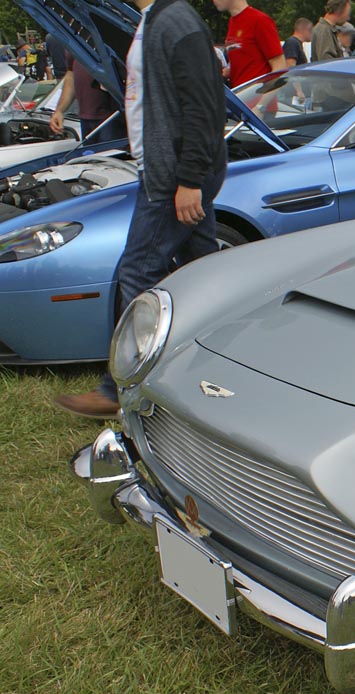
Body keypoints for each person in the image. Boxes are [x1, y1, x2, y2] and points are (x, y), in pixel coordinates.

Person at [55, 0, 226, 418]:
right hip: (169, 171)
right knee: (201, 270)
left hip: (173, 177)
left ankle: (120, 388)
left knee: (137, 270)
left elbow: (203, 106)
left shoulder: (175, 20)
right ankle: (211, 368)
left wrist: (189, 180)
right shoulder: (151, 20)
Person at [213, 0, 285, 87]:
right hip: (239, 93)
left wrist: (265, 95)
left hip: (257, 92)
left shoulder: (260, 20)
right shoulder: (233, 21)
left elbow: (280, 66)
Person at [50, 48, 115, 139]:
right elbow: (71, 74)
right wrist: (59, 111)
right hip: (85, 117)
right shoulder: (74, 42)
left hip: (112, 116)